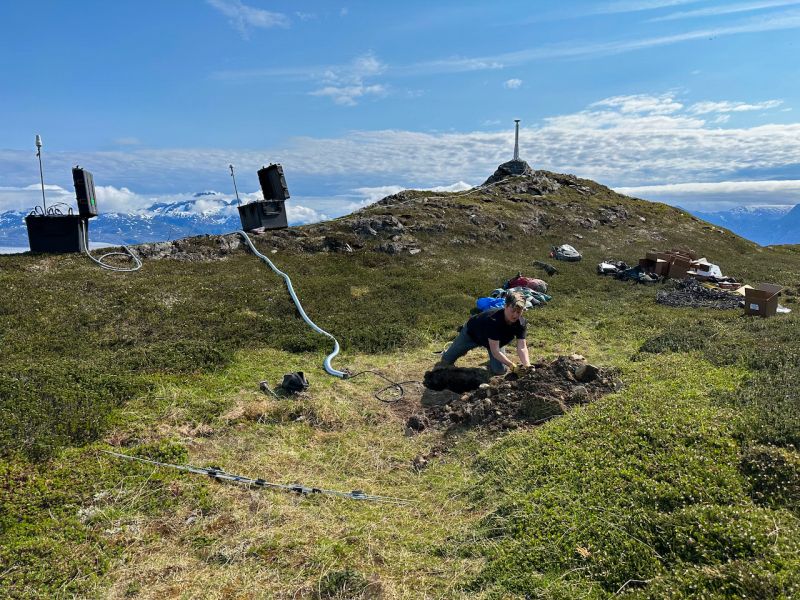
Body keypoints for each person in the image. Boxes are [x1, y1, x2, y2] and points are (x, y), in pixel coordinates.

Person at [438, 291, 530, 374]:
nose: (515, 315)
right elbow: (495, 351)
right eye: (513, 310)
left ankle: (494, 361)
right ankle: (455, 350)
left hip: (494, 342)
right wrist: (512, 366)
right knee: (446, 361)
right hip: (472, 334)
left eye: (519, 312)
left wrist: (527, 366)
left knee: (500, 370)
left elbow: (522, 347)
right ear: (505, 306)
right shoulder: (494, 320)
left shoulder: (521, 323)